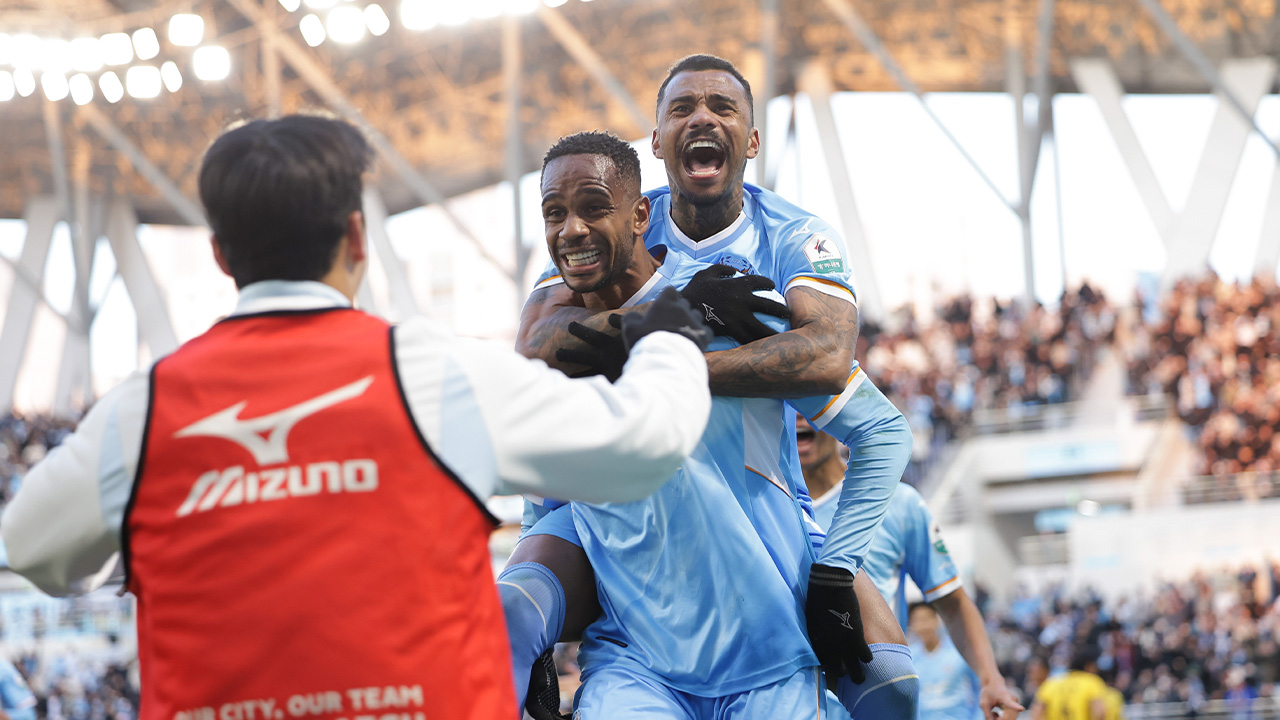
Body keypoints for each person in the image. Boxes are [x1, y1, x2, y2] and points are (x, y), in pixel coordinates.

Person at [0, 115, 716, 720]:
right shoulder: (434, 375)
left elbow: (29, 546)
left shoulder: (143, 410)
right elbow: (645, 444)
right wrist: (667, 333)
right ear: (356, 238)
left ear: (221, 255)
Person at [510, 54, 917, 719]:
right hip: (620, 541)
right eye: (682, 108)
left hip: (753, 513)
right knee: (512, 610)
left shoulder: (792, 237)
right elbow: (538, 348)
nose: (702, 118)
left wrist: (677, 361)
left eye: (722, 107)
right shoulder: (605, 217)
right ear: (656, 141)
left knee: (892, 688)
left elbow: (828, 357)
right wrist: (679, 317)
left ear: (752, 141)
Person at [799, 415, 1023, 720]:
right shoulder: (766, 511)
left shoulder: (897, 503)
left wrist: (990, 678)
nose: (796, 414)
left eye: (803, 401)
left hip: (877, 710)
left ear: (833, 412)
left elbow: (953, 603)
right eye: (785, 405)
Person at [907, 602, 982, 720]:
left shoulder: (959, 651)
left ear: (938, 619)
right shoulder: (909, 658)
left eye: (926, 619)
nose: (923, 626)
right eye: (917, 621)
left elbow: (981, 687)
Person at [1031, 651, 1108, 720]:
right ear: (1089, 666)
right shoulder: (1091, 681)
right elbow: (1100, 712)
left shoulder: (1051, 683)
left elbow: (1037, 713)